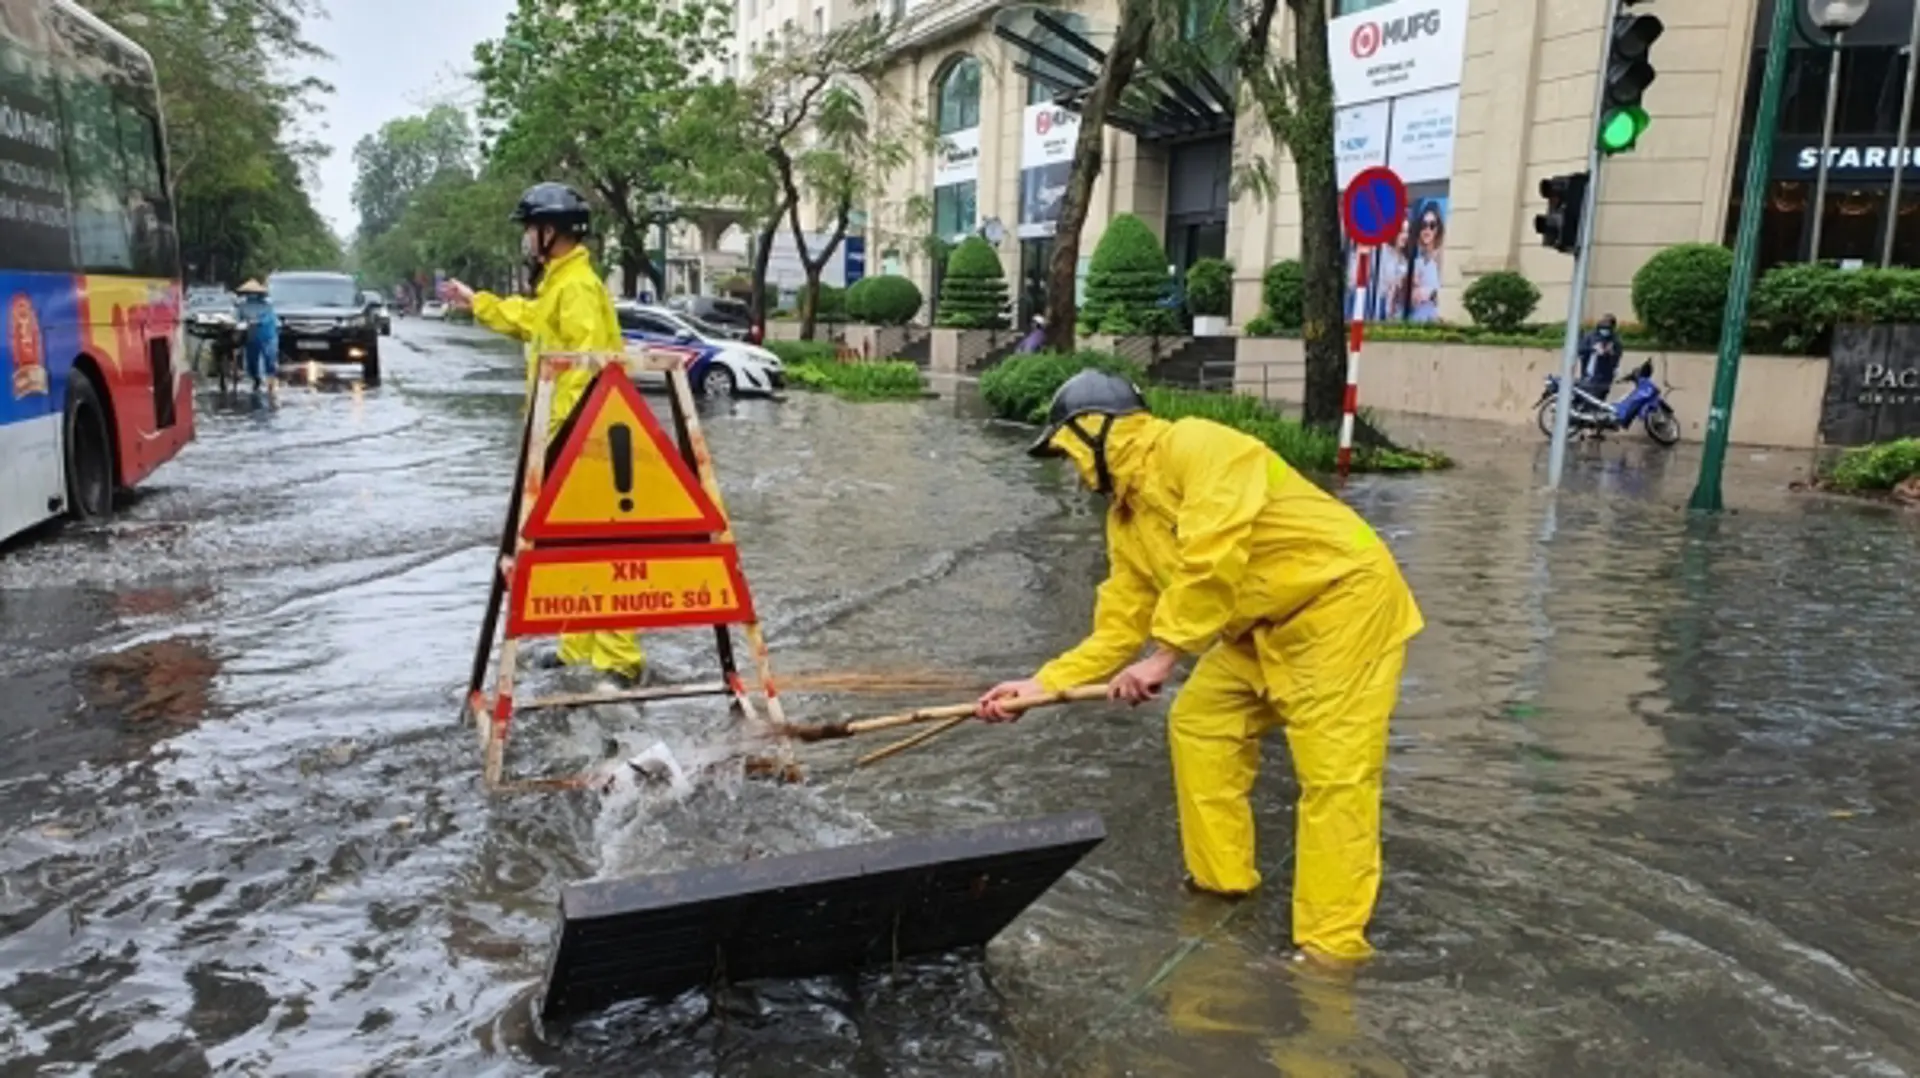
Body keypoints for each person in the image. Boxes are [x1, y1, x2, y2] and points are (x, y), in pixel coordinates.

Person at [976, 370, 1424, 967]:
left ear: (1094, 430)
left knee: (1335, 780)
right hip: (1256, 631)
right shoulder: (1127, 519)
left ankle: (1330, 948)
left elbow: (1214, 555)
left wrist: (1164, 656)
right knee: (1201, 724)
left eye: (1067, 450)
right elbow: (1119, 623)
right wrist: (1038, 687)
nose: (1069, 467)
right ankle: (1222, 883)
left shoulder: (1199, 446)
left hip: (1340, 607)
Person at [442, 182, 646, 684]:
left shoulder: (575, 286)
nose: (527, 239)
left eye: (531, 229)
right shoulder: (560, 282)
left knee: (599, 550)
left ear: (550, 232)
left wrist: (557, 438)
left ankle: (619, 659)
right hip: (570, 433)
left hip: (584, 437)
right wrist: (479, 303)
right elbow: (532, 321)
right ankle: (578, 646)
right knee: (573, 547)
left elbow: (583, 363)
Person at [233, 279, 278, 404]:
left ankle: (271, 381)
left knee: (270, 358)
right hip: (251, 337)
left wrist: (257, 321)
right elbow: (236, 318)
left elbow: (269, 318)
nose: (252, 295)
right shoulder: (241, 306)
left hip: (267, 336)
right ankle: (256, 379)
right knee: (252, 360)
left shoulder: (267, 305)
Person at [1578, 314, 1623, 407]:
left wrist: (1611, 353)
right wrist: (1593, 349)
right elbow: (1581, 350)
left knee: (1598, 402)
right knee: (1586, 400)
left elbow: (1617, 356)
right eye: (1603, 325)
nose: (1605, 329)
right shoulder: (1590, 336)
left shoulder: (1615, 340)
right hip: (1588, 375)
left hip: (1605, 377)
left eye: (1608, 326)